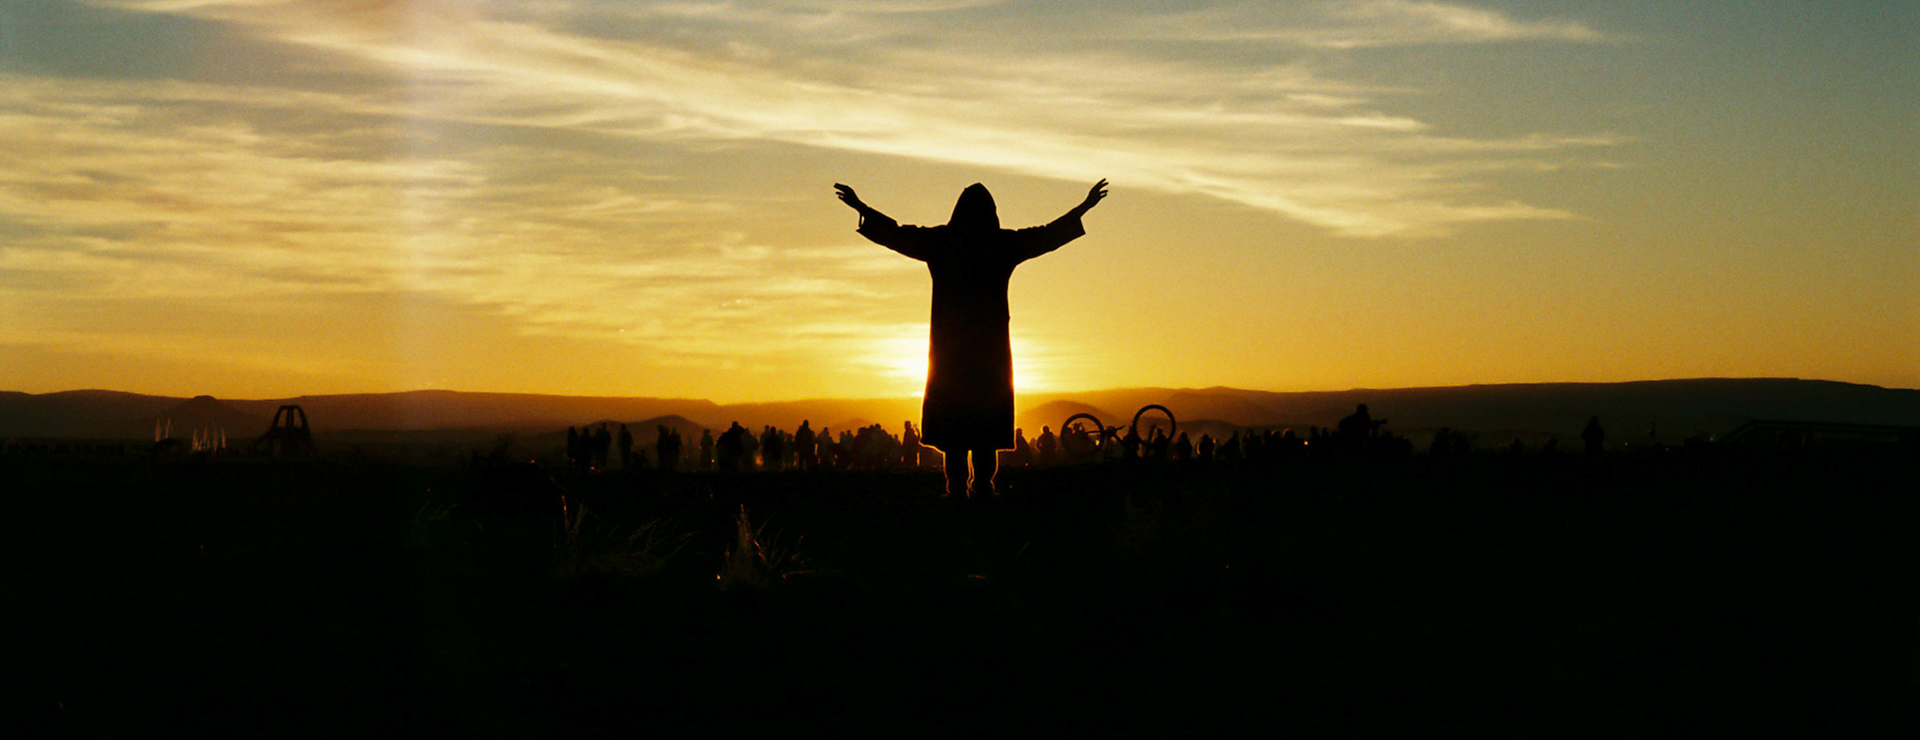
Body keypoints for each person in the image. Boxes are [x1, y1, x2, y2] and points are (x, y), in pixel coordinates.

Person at [840, 178, 1107, 497]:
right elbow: (1047, 235)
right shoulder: (1000, 244)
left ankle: (955, 486)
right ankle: (983, 485)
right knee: (985, 423)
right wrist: (1084, 207)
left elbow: (897, 234)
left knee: (953, 425)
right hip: (989, 350)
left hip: (949, 350)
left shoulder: (943, 242)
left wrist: (861, 207)